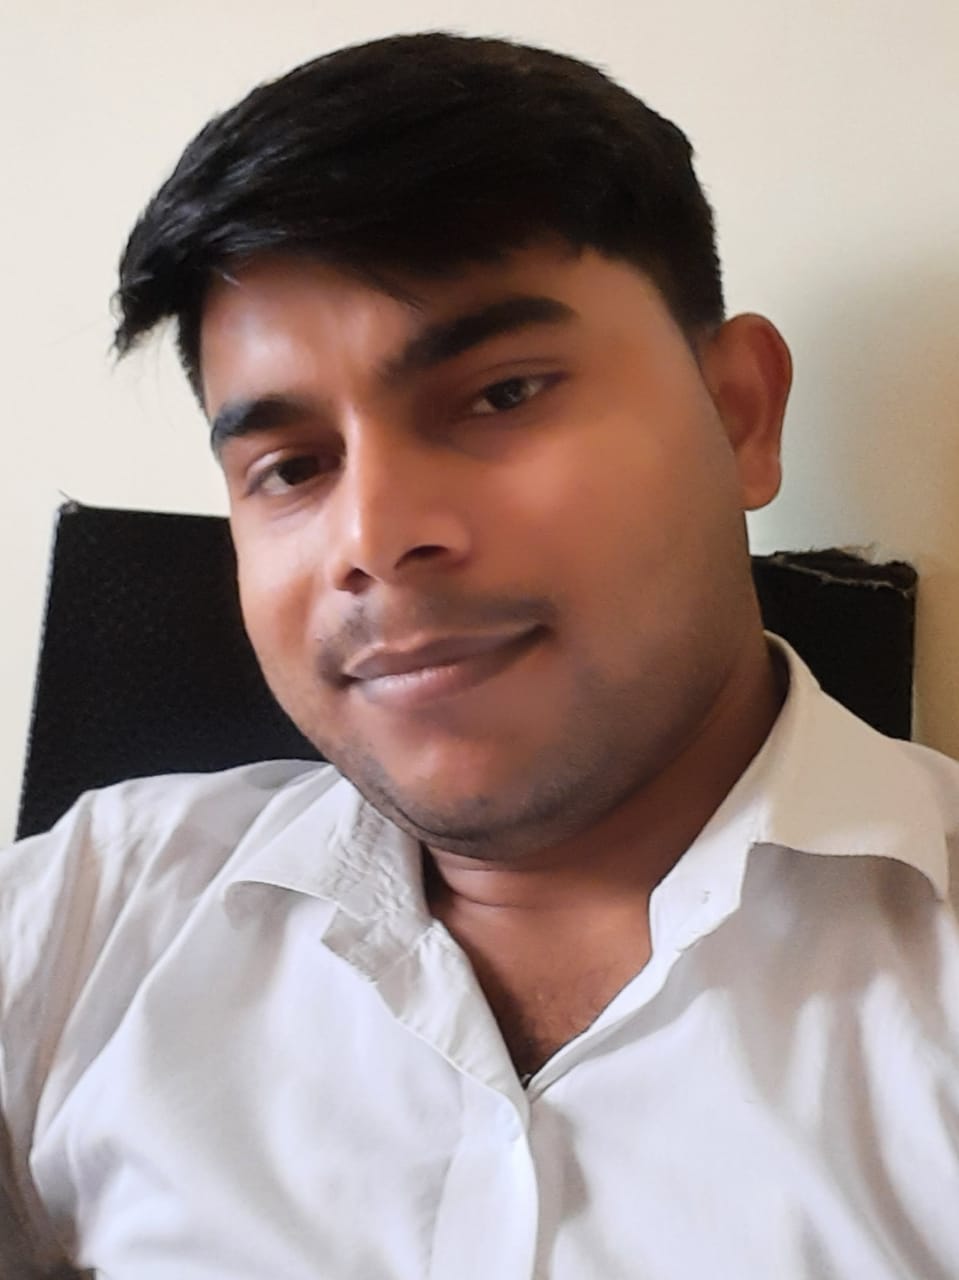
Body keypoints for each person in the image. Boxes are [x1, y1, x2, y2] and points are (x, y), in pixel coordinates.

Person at [2, 30, 958, 1280]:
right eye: (290, 466)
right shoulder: (88, 916)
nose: (374, 537)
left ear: (738, 415)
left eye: (502, 393)